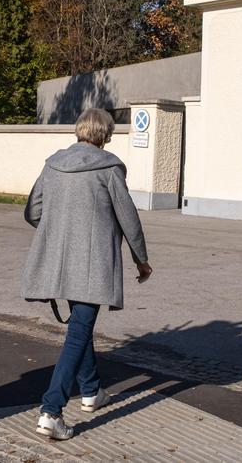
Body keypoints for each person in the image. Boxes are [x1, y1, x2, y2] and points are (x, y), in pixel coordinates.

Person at [21, 108, 152, 441]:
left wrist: (56, 232)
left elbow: (33, 210)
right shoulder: (108, 169)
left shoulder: (52, 165)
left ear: (79, 131)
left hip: (59, 261)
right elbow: (129, 218)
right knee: (78, 331)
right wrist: (141, 260)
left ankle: (91, 391)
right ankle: (51, 411)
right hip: (92, 264)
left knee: (81, 326)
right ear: (105, 135)